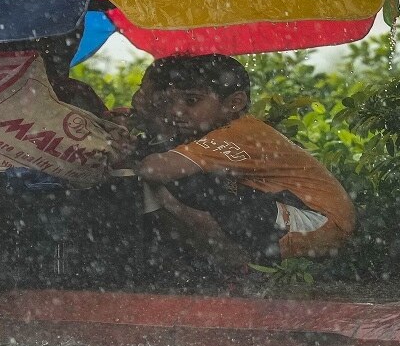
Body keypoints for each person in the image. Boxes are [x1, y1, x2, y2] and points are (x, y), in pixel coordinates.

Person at [128, 54, 356, 275]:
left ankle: (241, 264)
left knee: (185, 184)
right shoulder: (229, 130)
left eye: (191, 101)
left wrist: (132, 155)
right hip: (306, 217)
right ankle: (234, 261)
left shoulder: (236, 135)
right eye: (173, 102)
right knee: (197, 186)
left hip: (321, 223)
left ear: (235, 103)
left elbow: (154, 169)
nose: (178, 111)